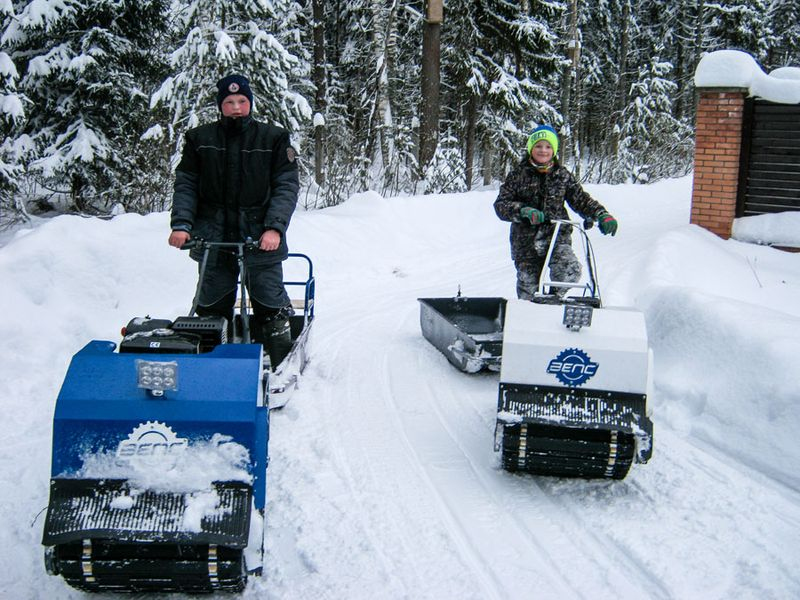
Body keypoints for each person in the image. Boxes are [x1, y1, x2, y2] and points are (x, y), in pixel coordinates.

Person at [168, 74, 298, 364]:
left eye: (241, 101)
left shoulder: (274, 138)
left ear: (250, 102)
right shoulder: (199, 139)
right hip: (213, 236)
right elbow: (186, 184)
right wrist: (181, 225)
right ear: (220, 105)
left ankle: (280, 365)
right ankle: (212, 365)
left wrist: (274, 228)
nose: (236, 107)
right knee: (211, 303)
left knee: (269, 299)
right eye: (229, 102)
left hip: (260, 235)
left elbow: (286, 186)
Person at [494, 124, 618, 301]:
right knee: (528, 291)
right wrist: (523, 211)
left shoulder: (562, 175)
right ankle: (529, 320)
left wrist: (601, 214)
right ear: (531, 148)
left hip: (556, 237)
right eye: (538, 146)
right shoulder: (518, 175)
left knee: (570, 270)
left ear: (554, 150)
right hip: (526, 243)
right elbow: (501, 205)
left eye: (548, 146)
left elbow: (580, 199)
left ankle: (553, 301)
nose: (543, 150)